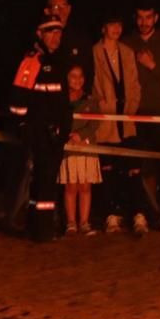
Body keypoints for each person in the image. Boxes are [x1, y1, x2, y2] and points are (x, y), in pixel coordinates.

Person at [10, 17, 71, 241]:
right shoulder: (33, 61)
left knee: (44, 181)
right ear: (39, 34)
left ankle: (36, 225)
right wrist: (23, 125)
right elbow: (18, 95)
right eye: (51, 32)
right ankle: (43, 230)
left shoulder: (56, 60)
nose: (56, 37)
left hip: (54, 132)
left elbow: (62, 101)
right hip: (40, 131)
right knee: (44, 181)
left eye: (59, 33)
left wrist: (64, 127)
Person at [128, 3, 160, 232]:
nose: (144, 22)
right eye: (140, 17)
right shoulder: (127, 43)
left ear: (156, 17)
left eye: (148, 17)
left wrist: (152, 65)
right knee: (139, 167)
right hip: (135, 114)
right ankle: (144, 213)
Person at [90, 15, 141, 233]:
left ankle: (137, 213)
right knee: (107, 169)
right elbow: (92, 84)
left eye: (119, 25)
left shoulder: (127, 52)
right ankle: (111, 214)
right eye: (112, 25)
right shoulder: (94, 52)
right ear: (103, 28)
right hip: (106, 119)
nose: (116, 29)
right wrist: (101, 105)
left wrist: (131, 108)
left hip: (126, 118)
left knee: (133, 168)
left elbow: (134, 83)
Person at [58, 64, 100, 235]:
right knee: (71, 187)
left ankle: (84, 222)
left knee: (85, 187)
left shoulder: (90, 100)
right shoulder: (60, 99)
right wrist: (68, 135)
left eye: (80, 75)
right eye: (73, 76)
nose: (77, 79)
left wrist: (81, 136)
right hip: (68, 149)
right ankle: (71, 222)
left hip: (87, 148)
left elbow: (95, 122)